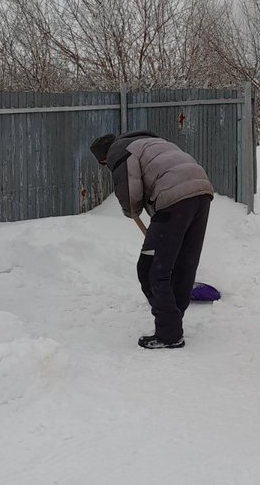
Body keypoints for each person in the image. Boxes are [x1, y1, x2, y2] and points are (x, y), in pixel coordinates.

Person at [90, 131, 213, 349]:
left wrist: (131, 210)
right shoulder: (152, 141)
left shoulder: (119, 152)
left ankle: (169, 333)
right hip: (202, 192)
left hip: (172, 200)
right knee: (185, 262)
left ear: (103, 159)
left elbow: (129, 192)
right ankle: (173, 319)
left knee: (151, 268)